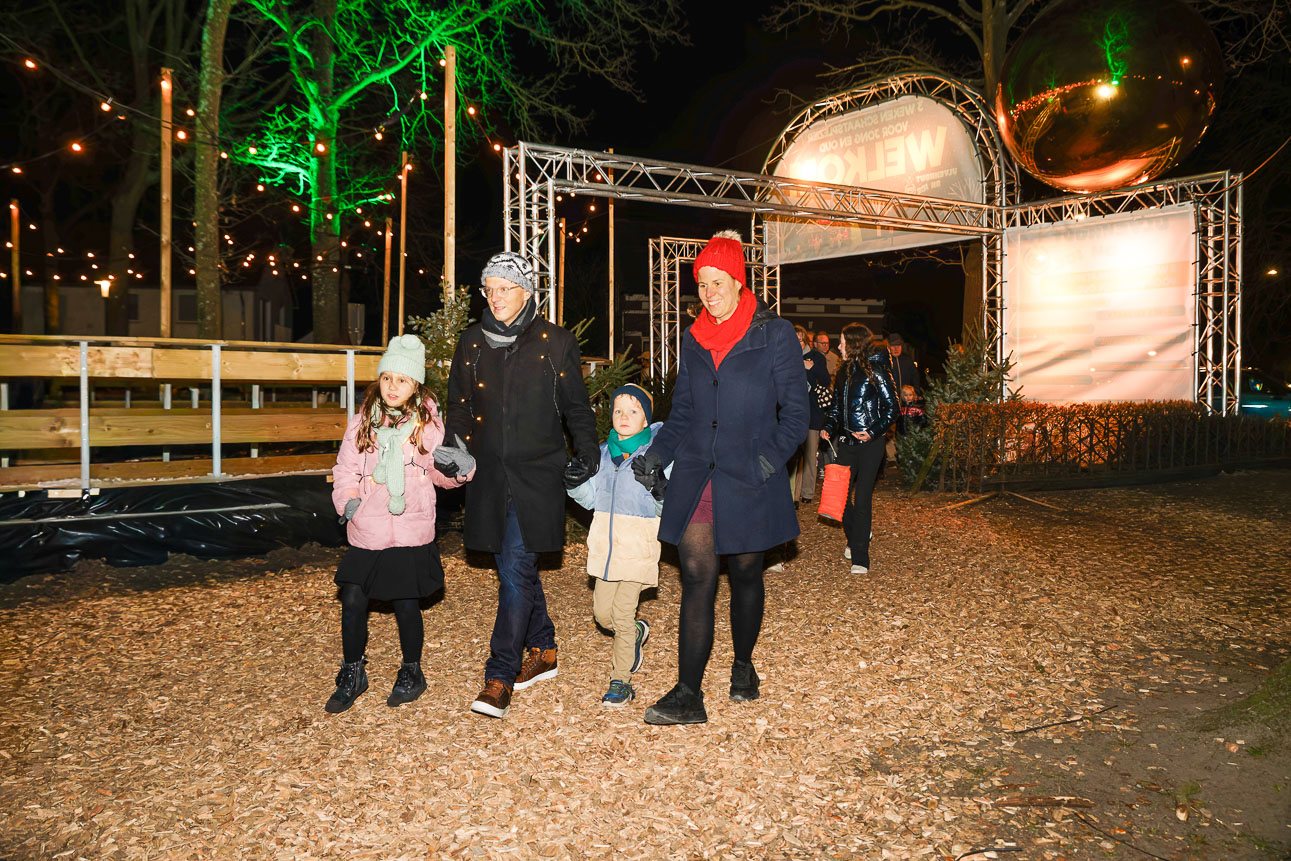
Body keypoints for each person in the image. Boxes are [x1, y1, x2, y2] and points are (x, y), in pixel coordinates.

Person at [631, 230, 808, 726]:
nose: (709, 294)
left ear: (738, 281)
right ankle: (689, 693)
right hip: (699, 474)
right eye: (702, 284)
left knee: (747, 572)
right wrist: (654, 455)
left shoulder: (774, 334)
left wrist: (766, 464)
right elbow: (683, 413)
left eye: (717, 283)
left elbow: (796, 415)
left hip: (750, 475)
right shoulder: (694, 338)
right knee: (697, 575)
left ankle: (743, 664)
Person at [445, 251, 600, 719]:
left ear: (527, 292)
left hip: (538, 474)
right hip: (489, 475)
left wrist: (588, 454)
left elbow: (576, 407)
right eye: (488, 289)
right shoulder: (472, 342)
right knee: (515, 567)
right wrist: (455, 447)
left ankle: (499, 676)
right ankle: (545, 648)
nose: (494, 297)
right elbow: (459, 405)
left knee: (514, 566)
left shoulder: (556, 343)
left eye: (504, 288)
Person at [326, 334, 475, 713]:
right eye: (387, 377)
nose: (392, 386)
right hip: (368, 526)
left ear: (416, 385)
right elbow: (344, 469)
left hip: (410, 529)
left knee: (406, 603)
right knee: (353, 598)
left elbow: (438, 473)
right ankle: (353, 671)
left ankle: (412, 671)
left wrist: (459, 471)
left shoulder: (428, 427)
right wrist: (349, 503)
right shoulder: (362, 423)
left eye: (402, 380)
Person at [566, 383, 667, 707]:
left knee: (621, 616)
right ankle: (636, 632)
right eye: (618, 410)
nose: (624, 416)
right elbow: (591, 499)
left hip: (637, 548)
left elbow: (667, 508)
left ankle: (620, 680)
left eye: (633, 411)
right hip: (606, 551)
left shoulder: (657, 456)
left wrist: (660, 489)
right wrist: (574, 484)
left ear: (646, 419)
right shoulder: (602, 454)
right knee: (602, 616)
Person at [821, 323, 899, 575]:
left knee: (862, 498)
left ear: (854, 344)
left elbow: (893, 408)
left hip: (871, 445)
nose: (839, 346)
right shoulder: (843, 371)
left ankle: (860, 557)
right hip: (846, 443)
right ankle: (858, 535)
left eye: (842, 342)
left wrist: (873, 432)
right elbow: (836, 406)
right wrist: (829, 426)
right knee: (840, 497)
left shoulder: (877, 371)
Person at [789, 324, 832, 505]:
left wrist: (811, 368)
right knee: (792, 455)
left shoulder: (815, 357)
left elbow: (826, 380)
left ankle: (807, 492)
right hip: (791, 412)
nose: (797, 343)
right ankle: (792, 495)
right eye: (794, 340)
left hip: (812, 412)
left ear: (806, 340)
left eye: (800, 340)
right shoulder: (786, 356)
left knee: (809, 454)